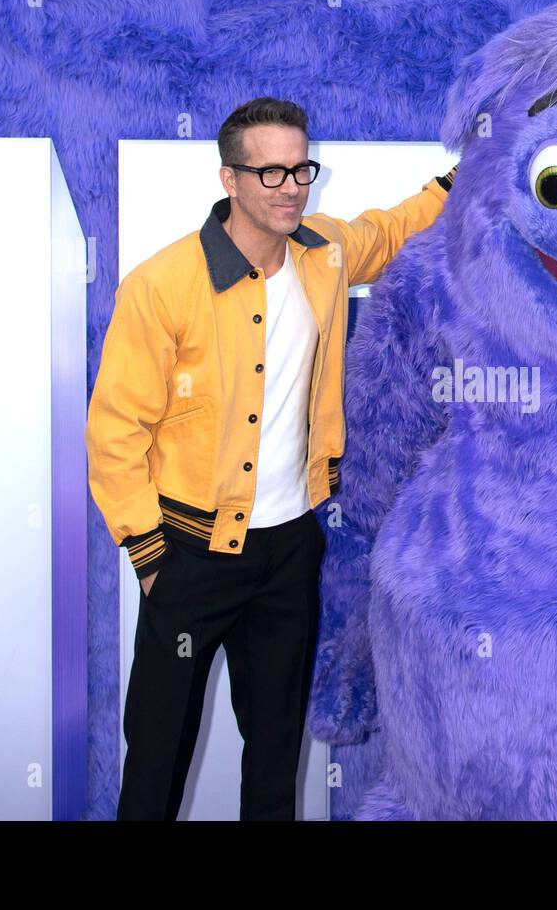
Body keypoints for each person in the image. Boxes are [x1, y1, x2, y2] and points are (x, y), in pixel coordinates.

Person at [85, 95, 456, 820]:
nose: (291, 188)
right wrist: (151, 555)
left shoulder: (323, 253)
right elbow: (115, 432)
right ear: (230, 180)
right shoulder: (162, 286)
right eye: (271, 174)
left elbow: (390, 231)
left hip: (289, 551)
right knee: (157, 753)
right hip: (188, 554)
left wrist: (456, 184)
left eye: (301, 169)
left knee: (275, 757)